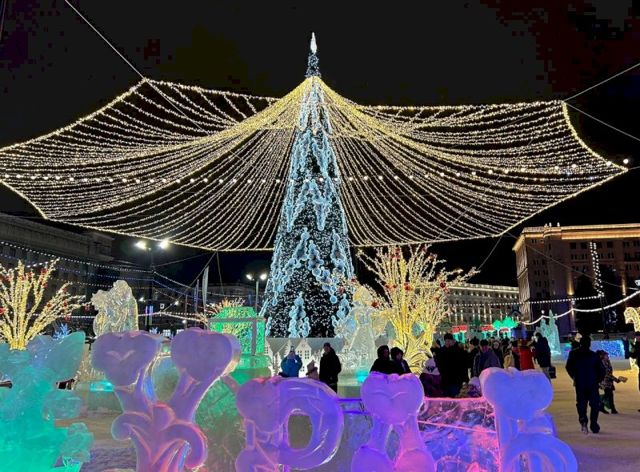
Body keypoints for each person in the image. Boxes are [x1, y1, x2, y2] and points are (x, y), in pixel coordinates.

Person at [566, 336, 606, 434]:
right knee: (594, 404)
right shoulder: (593, 355)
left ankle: (583, 419)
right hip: (592, 383)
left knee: (581, 403)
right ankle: (594, 424)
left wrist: (575, 377)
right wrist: (597, 380)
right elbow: (602, 370)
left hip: (580, 383)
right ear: (589, 344)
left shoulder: (574, 354)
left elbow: (569, 367)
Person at [435, 333, 468, 398]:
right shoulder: (441, 351)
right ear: (444, 341)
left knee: (455, 399)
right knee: (446, 399)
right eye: (446, 340)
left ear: (452, 341)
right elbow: (438, 365)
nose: (448, 342)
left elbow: (463, 366)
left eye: (449, 340)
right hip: (445, 380)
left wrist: (465, 379)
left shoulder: (458, 351)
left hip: (455, 381)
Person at [598, 350, 622, 414]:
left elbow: (609, 373)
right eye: (606, 355)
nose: (608, 356)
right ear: (602, 356)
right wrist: (616, 380)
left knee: (609, 395)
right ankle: (603, 407)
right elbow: (607, 374)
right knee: (608, 395)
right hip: (605, 382)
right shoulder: (602, 363)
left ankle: (611, 408)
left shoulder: (607, 362)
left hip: (609, 382)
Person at [629, 331, 640, 412]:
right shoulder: (636, 344)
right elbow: (634, 356)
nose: (637, 337)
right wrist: (631, 350)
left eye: (638, 336)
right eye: (636, 336)